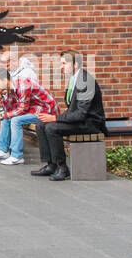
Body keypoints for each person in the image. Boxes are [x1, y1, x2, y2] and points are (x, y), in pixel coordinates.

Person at [31, 51, 106, 182]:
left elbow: (81, 114)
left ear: (75, 64)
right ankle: (51, 164)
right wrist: (51, 117)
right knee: (41, 125)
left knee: (52, 128)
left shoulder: (85, 81)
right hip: (79, 121)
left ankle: (62, 167)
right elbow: (72, 111)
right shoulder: (74, 79)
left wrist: (55, 118)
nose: (61, 67)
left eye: (64, 63)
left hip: (89, 124)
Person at [0, 50, 57, 166]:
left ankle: (17, 156)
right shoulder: (9, 87)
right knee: (7, 117)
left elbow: (21, 109)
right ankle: (2, 150)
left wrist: (1, 115)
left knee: (15, 120)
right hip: (31, 108)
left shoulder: (23, 83)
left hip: (45, 109)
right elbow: (9, 107)